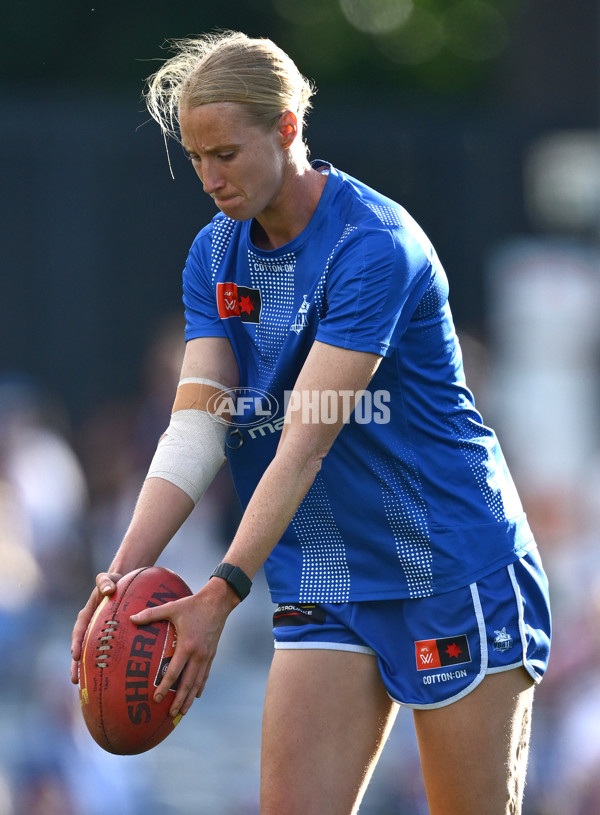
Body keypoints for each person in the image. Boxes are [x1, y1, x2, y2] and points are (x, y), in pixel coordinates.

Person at [71, 31, 551, 815]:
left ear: (288, 127)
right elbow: (197, 428)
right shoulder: (214, 254)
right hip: (325, 573)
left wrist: (221, 591)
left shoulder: (373, 246)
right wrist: (118, 577)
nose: (209, 178)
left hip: (448, 564)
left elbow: (306, 437)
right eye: (195, 157)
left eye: (225, 153)